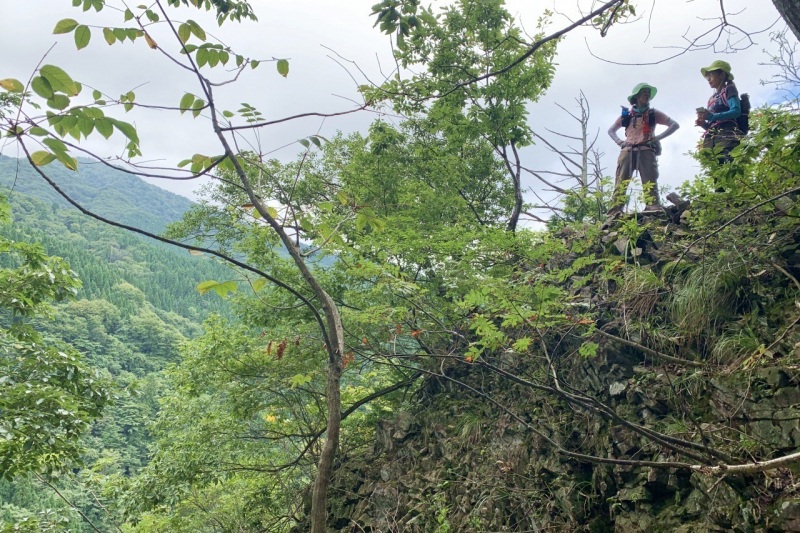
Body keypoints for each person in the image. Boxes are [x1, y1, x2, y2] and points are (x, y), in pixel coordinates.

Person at [607, 83, 679, 217]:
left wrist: (657, 138)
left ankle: (652, 208)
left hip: (646, 149)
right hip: (627, 150)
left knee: (650, 181)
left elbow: (674, 125)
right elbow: (611, 130)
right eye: (644, 92)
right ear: (636, 96)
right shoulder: (627, 115)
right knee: (621, 181)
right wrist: (619, 142)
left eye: (648, 93)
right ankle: (615, 211)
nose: (647, 95)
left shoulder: (653, 113)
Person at [695, 60, 742, 165]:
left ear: (721, 75)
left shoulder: (729, 89)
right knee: (715, 170)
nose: (708, 79)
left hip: (727, 135)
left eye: (711, 75)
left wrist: (711, 116)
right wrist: (703, 124)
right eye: (707, 77)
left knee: (728, 165)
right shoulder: (712, 99)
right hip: (712, 139)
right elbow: (713, 123)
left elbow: (736, 111)